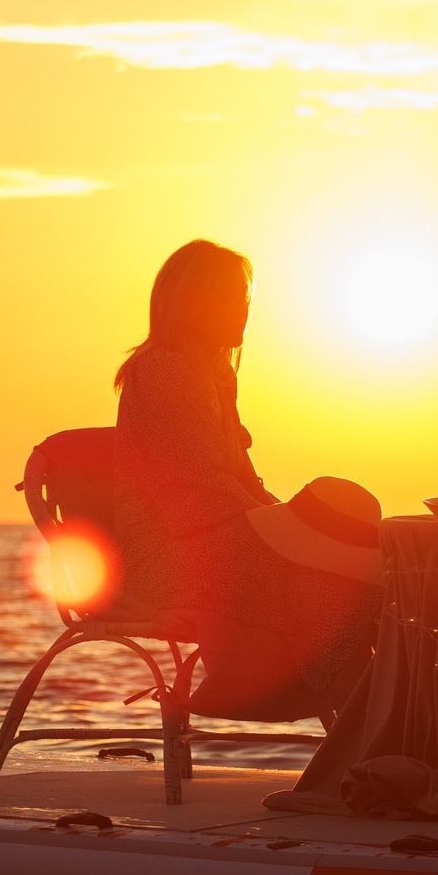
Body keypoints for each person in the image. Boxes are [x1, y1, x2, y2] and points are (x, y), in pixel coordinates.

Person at [111, 239, 382, 723]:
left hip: (224, 539)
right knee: (331, 579)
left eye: (245, 297)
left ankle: (363, 728)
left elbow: (244, 483)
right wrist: (289, 533)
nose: (243, 309)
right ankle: (353, 727)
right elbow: (205, 484)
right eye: (229, 296)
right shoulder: (162, 371)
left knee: (348, 547)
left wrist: (299, 527)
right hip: (171, 558)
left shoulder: (214, 373)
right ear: (193, 302)